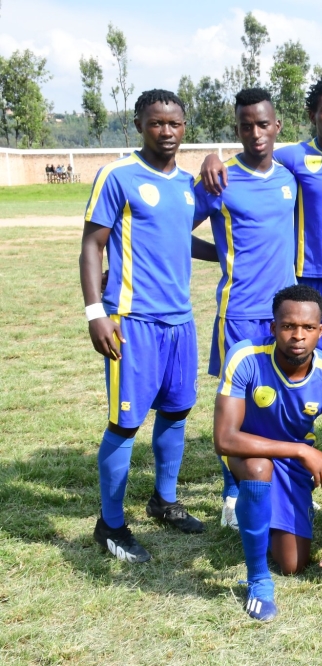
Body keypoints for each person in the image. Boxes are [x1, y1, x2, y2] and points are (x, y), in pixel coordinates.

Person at [200, 76, 322, 502]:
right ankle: (254, 481)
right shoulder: (291, 159)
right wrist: (211, 157)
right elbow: (248, 157)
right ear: (310, 116)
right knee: (293, 376)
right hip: (305, 287)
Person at [79, 89, 204, 564]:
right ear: (138, 124)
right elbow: (92, 246)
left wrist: (228, 254)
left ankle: (164, 501)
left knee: (177, 411)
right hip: (132, 322)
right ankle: (110, 525)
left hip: (180, 321)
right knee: (125, 421)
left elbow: (178, 238)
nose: (166, 131)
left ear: (184, 127)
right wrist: (96, 313)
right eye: (156, 123)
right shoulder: (118, 175)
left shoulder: (188, 184)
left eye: (174, 123)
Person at [214, 285, 322, 621]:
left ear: (321, 331)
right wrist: (300, 450)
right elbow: (224, 439)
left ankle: (259, 510)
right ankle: (258, 580)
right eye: (289, 326)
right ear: (273, 327)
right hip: (247, 452)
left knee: (293, 564)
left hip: (292, 465)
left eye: (308, 327)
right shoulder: (245, 357)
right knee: (259, 469)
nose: (298, 336)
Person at [191, 87, 297, 529]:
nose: (255, 133)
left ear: (277, 126)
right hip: (238, 311)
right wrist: (218, 253)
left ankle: (279, 484)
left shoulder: (290, 178)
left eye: (262, 124)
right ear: (236, 129)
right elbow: (173, 228)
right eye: (245, 126)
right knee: (237, 405)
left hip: (286, 315)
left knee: (279, 399)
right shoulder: (220, 179)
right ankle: (232, 495)